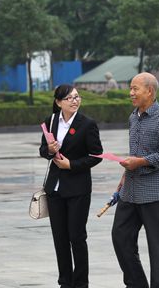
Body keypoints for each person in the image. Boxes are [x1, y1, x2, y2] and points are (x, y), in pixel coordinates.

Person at [111, 72, 159, 288]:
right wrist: (126, 173)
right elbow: (136, 152)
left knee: (157, 248)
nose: (131, 93)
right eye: (130, 89)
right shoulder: (133, 117)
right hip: (131, 190)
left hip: (155, 193)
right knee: (120, 237)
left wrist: (140, 162)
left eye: (135, 89)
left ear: (149, 91)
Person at [39, 84, 103, 288]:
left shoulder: (87, 124)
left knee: (77, 237)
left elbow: (96, 156)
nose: (75, 101)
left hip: (78, 189)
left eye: (77, 97)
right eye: (70, 98)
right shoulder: (50, 121)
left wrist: (72, 165)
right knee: (60, 238)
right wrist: (50, 150)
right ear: (59, 102)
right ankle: (65, 282)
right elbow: (43, 150)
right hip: (55, 189)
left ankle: (81, 283)